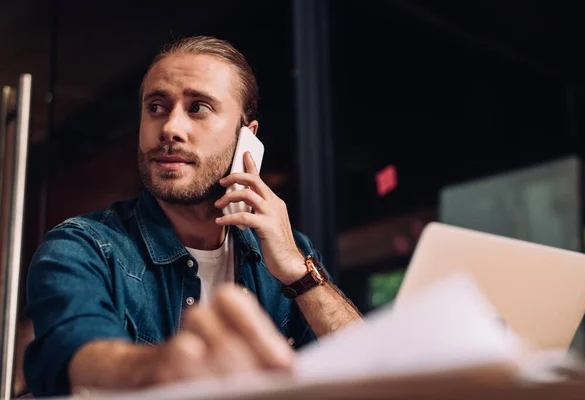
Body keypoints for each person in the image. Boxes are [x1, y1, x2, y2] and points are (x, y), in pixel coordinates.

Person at [23, 35, 362, 398]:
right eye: (156, 107)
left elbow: (367, 367)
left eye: (198, 107)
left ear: (247, 138)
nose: (170, 128)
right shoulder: (82, 247)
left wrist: (299, 273)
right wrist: (163, 368)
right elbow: (78, 356)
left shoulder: (290, 253)